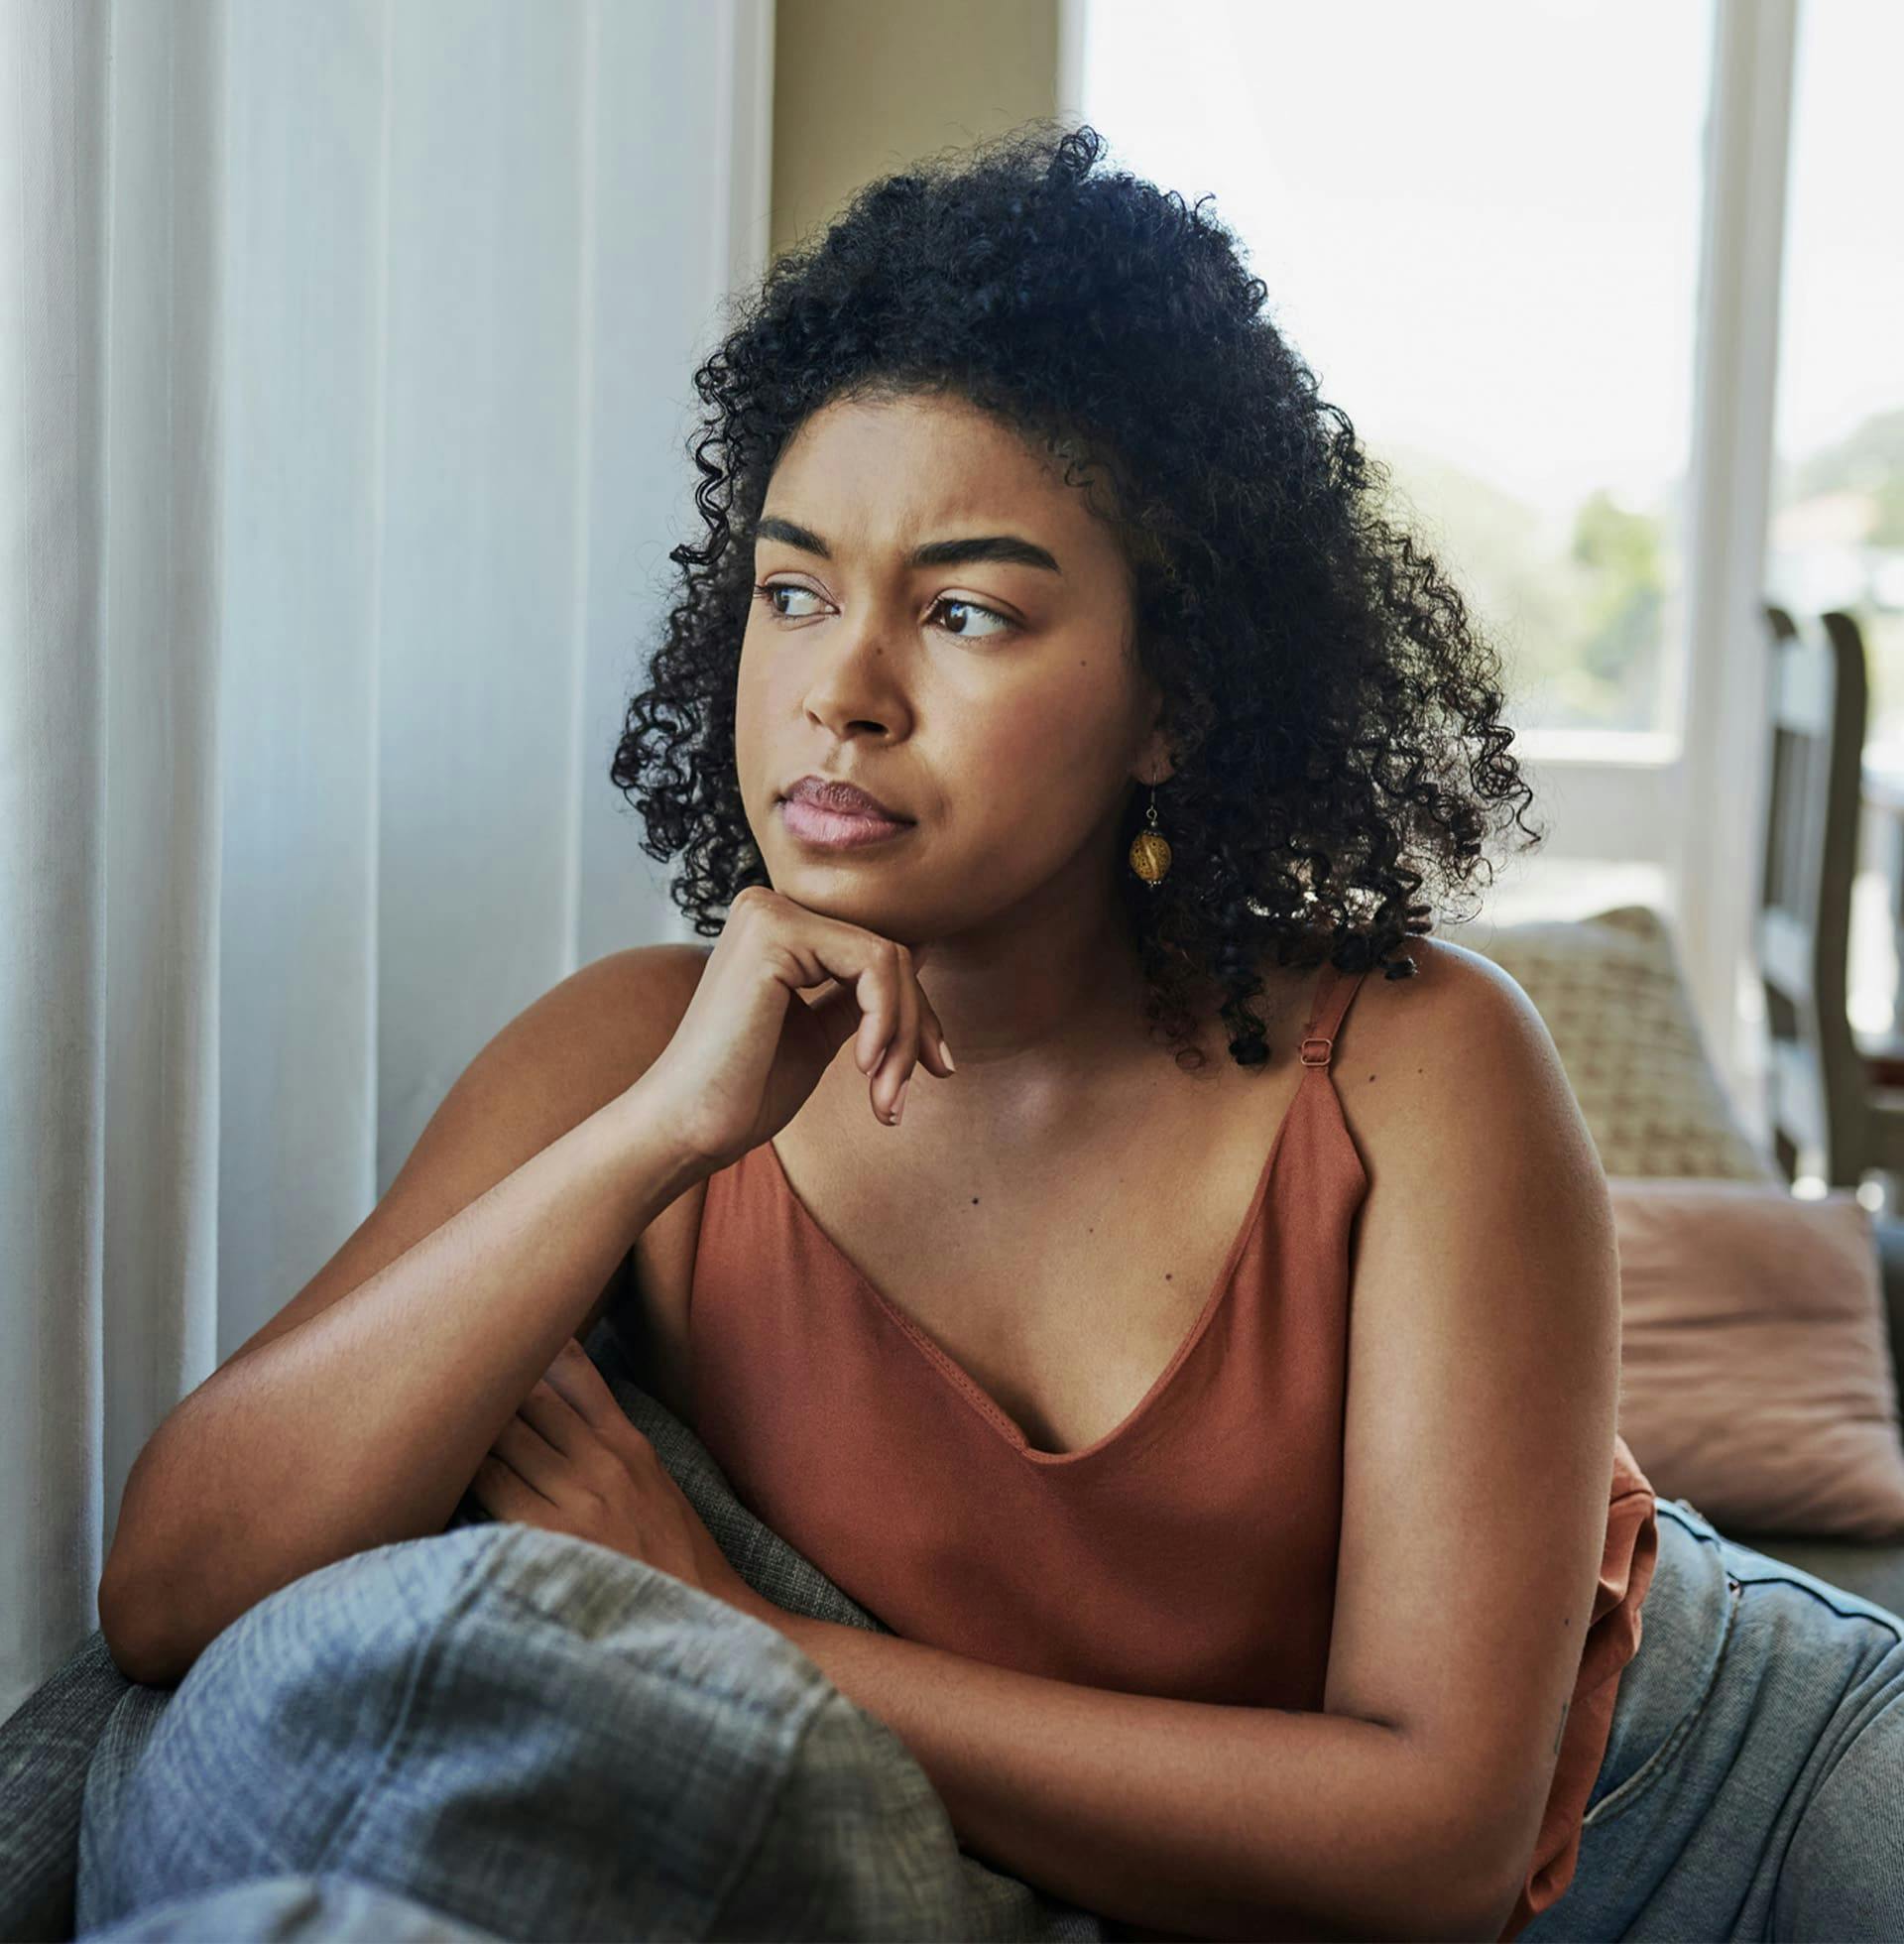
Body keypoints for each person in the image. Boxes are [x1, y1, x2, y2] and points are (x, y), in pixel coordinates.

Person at [99, 122, 1903, 1942]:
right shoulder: (630, 1064)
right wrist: (656, 1139)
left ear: (1174, 703)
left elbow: (1430, 1853)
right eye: (793, 592)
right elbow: (174, 1591)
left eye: (964, 612)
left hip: (1722, 1799)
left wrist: (742, 1642)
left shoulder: (1414, 1066)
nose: (843, 693)